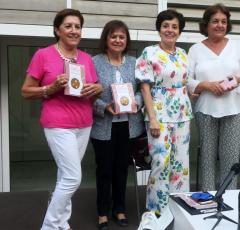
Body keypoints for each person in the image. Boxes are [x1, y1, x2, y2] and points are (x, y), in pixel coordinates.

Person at [21, 9, 102, 230]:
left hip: (83, 124)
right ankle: (49, 225)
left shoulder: (85, 58)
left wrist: (97, 88)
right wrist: (51, 87)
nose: (74, 30)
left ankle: (62, 224)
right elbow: (26, 91)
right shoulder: (43, 55)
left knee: (64, 176)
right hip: (57, 124)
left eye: (77, 26)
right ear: (58, 30)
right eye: (68, 26)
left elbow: (96, 90)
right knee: (73, 178)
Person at [135, 9, 194, 230]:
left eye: (174, 27)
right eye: (166, 26)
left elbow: (186, 83)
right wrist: (152, 117)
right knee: (161, 163)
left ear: (179, 31)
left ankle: (177, 210)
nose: (170, 30)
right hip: (158, 114)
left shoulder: (183, 54)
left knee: (181, 165)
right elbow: (144, 86)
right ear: (159, 29)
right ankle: (156, 212)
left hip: (182, 115)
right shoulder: (149, 53)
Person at [187, 3, 240, 192]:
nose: (220, 25)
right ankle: (207, 197)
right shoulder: (195, 50)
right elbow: (186, 80)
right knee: (207, 156)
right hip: (205, 110)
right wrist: (205, 85)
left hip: (234, 109)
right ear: (206, 24)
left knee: (230, 158)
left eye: (224, 22)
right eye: (215, 21)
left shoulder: (236, 47)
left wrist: (238, 80)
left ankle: (229, 196)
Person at [90, 20, 144, 230]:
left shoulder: (135, 62)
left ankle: (119, 209)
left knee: (122, 169)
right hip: (104, 126)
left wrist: (136, 102)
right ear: (106, 39)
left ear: (126, 40)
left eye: (122, 37)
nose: (118, 40)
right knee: (104, 169)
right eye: (113, 36)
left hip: (129, 126)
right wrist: (104, 106)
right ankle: (102, 212)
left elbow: (143, 90)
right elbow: (87, 94)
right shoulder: (94, 62)